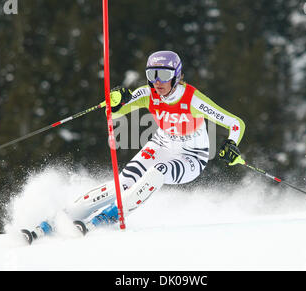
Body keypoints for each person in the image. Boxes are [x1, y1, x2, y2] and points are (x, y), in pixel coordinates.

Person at [22, 50, 245, 244]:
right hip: (160, 145)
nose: (157, 82)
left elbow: (236, 124)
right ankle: (59, 219)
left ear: (177, 76)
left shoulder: (192, 99)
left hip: (192, 157)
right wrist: (116, 100)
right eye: (152, 75)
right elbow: (115, 112)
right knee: (124, 182)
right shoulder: (148, 94)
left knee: (158, 172)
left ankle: (108, 217)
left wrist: (232, 144)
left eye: (164, 75)